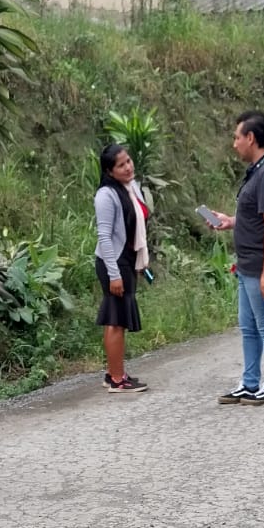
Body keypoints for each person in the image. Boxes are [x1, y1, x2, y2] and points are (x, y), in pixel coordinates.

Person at [211, 110, 264, 407]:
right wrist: (230, 222)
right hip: (248, 266)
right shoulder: (260, 170)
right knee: (249, 328)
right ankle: (249, 383)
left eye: (237, 137)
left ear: (251, 138)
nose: (234, 144)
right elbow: (258, 217)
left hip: (261, 267)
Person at [93, 143, 151, 393]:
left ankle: (114, 374)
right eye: (121, 165)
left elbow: (136, 227)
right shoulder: (106, 195)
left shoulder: (131, 187)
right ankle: (117, 379)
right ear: (109, 171)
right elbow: (105, 237)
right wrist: (114, 274)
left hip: (126, 259)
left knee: (116, 319)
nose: (128, 167)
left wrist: (139, 261)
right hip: (113, 262)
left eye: (128, 161)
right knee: (116, 320)